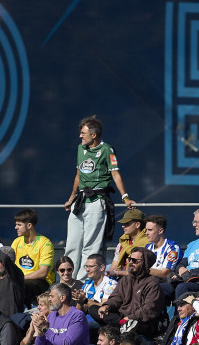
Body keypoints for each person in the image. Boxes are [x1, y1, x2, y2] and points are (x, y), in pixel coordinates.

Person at [64, 115, 136, 280]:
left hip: (97, 201)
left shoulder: (107, 150)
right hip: (79, 202)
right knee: (72, 244)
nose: (80, 136)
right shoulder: (80, 149)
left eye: (83, 133)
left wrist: (125, 197)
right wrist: (71, 197)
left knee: (91, 246)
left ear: (94, 135)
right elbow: (78, 175)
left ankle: (84, 283)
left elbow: (115, 174)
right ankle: (68, 280)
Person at [95, 248, 165, 337]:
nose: (130, 262)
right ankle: (121, 324)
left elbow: (148, 309)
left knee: (131, 323)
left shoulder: (152, 283)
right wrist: (107, 306)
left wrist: (129, 318)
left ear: (145, 263)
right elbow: (116, 298)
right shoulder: (125, 280)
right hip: (121, 317)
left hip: (140, 321)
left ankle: (120, 324)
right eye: (129, 259)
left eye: (135, 260)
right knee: (94, 309)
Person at [11, 209, 54, 307]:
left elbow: (43, 272)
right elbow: (10, 265)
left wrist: (20, 278)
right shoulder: (16, 242)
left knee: (20, 284)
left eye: (19, 225)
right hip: (21, 280)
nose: (15, 227)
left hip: (41, 282)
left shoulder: (45, 243)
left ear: (29, 225)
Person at [108, 209, 148, 277]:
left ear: (137, 224)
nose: (123, 226)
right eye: (123, 223)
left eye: (127, 223)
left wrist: (118, 273)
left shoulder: (148, 244)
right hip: (121, 280)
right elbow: (113, 268)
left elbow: (141, 271)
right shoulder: (122, 243)